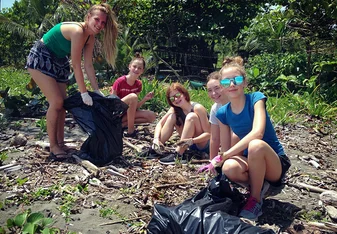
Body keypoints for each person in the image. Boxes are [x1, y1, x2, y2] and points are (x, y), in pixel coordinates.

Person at [199, 57, 291, 221]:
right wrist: (218, 163)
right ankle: (260, 184)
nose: (232, 84)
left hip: (274, 162)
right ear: (223, 87)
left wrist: (223, 155)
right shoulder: (222, 113)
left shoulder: (256, 99)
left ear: (244, 83)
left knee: (255, 145)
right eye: (227, 82)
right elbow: (226, 150)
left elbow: (258, 133)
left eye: (237, 80)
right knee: (229, 167)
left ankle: (255, 199)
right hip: (250, 159)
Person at [26, 3, 118, 161]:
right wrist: (83, 93)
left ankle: (61, 143)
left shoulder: (90, 37)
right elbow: (76, 64)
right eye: (97, 20)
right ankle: (54, 146)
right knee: (56, 102)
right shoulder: (77, 31)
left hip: (60, 61)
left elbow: (88, 65)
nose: (100, 25)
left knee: (64, 104)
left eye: (103, 23)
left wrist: (96, 91)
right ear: (88, 17)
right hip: (42, 56)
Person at [152, 82, 210, 165]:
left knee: (191, 116)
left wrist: (192, 141)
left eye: (178, 95)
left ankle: (179, 154)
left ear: (184, 94)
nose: (176, 99)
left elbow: (208, 134)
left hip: (203, 144)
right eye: (172, 99)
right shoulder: (175, 109)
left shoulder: (197, 108)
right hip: (187, 144)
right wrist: (156, 139)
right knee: (172, 116)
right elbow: (160, 124)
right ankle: (155, 148)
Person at [110, 54, 156, 137]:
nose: (136, 69)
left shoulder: (138, 84)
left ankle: (122, 125)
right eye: (134, 66)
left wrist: (145, 99)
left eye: (139, 68)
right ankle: (130, 131)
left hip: (126, 115)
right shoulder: (119, 82)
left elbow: (134, 107)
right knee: (132, 96)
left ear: (142, 71)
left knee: (151, 116)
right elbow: (112, 103)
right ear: (129, 67)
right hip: (116, 113)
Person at [206, 70, 240, 160]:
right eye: (210, 90)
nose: (214, 93)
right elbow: (214, 138)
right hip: (228, 149)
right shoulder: (216, 108)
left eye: (217, 88)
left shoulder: (237, 103)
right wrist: (212, 162)